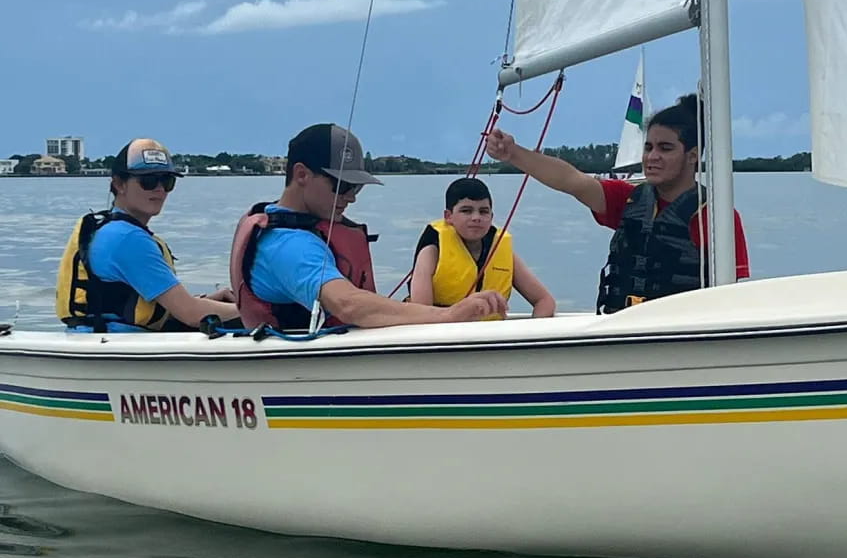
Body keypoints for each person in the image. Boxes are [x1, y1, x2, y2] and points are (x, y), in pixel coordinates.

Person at [485, 93, 749, 313]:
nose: (652, 156)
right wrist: (514, 154)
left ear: (692, 156)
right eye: (648, 147)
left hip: (679, 337)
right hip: (621, 328)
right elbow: (571, 180)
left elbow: (733, 295)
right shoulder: (628, 199)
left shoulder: (717, 218)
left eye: (665, 148)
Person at [230, 123, 506, 329]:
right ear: (302, 174)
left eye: (357, 187)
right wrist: (450, 315)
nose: (351, 197)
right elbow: (348, 304)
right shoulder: (289, 246)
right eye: (344, 185)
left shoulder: (300, 228)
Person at [56, 138, 239, 332]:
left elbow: (167, 305)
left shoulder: (110, 230)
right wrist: (253, 310)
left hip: (100, 338)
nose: (159, 189)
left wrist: (212, 300)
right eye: (148, 181)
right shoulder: (128, 239)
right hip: (118, 347)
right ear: (119, 184)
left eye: (167, 181)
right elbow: (191, 314)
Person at [409, 177, 555, 320]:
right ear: (449, 216)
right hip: (442, 335)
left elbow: (544, 301)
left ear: (491, 217)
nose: (476, 217)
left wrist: (530, 336)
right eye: (466, 210)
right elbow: (421, 312)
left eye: (483, 211)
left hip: (489, 335)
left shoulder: (499, 250)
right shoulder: (432, 251)